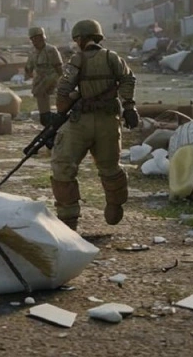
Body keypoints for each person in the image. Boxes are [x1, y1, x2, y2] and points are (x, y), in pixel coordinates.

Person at [48, 19, 139, 231]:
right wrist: (129, 106)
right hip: (109, 121)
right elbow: (128, 79)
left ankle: (68, 222)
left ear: (80, 39)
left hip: (81, 123)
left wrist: (61, 112)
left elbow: (63, 91)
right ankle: (115, 204)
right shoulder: (112, 57)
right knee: (110, 168)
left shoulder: (76, 60)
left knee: (63, 167)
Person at [24, 27, 63, 127]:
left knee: (41, 91)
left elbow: (59, 67)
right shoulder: (33, 52)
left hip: (51, 76)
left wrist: (62, 80)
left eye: (37, 38)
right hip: (40, 78)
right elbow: (29, 68)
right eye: (33, 39)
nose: (35, 41)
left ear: (42, 38)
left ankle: (48, 116)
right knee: (38, 92)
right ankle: (45, 115)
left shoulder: (51, 50)